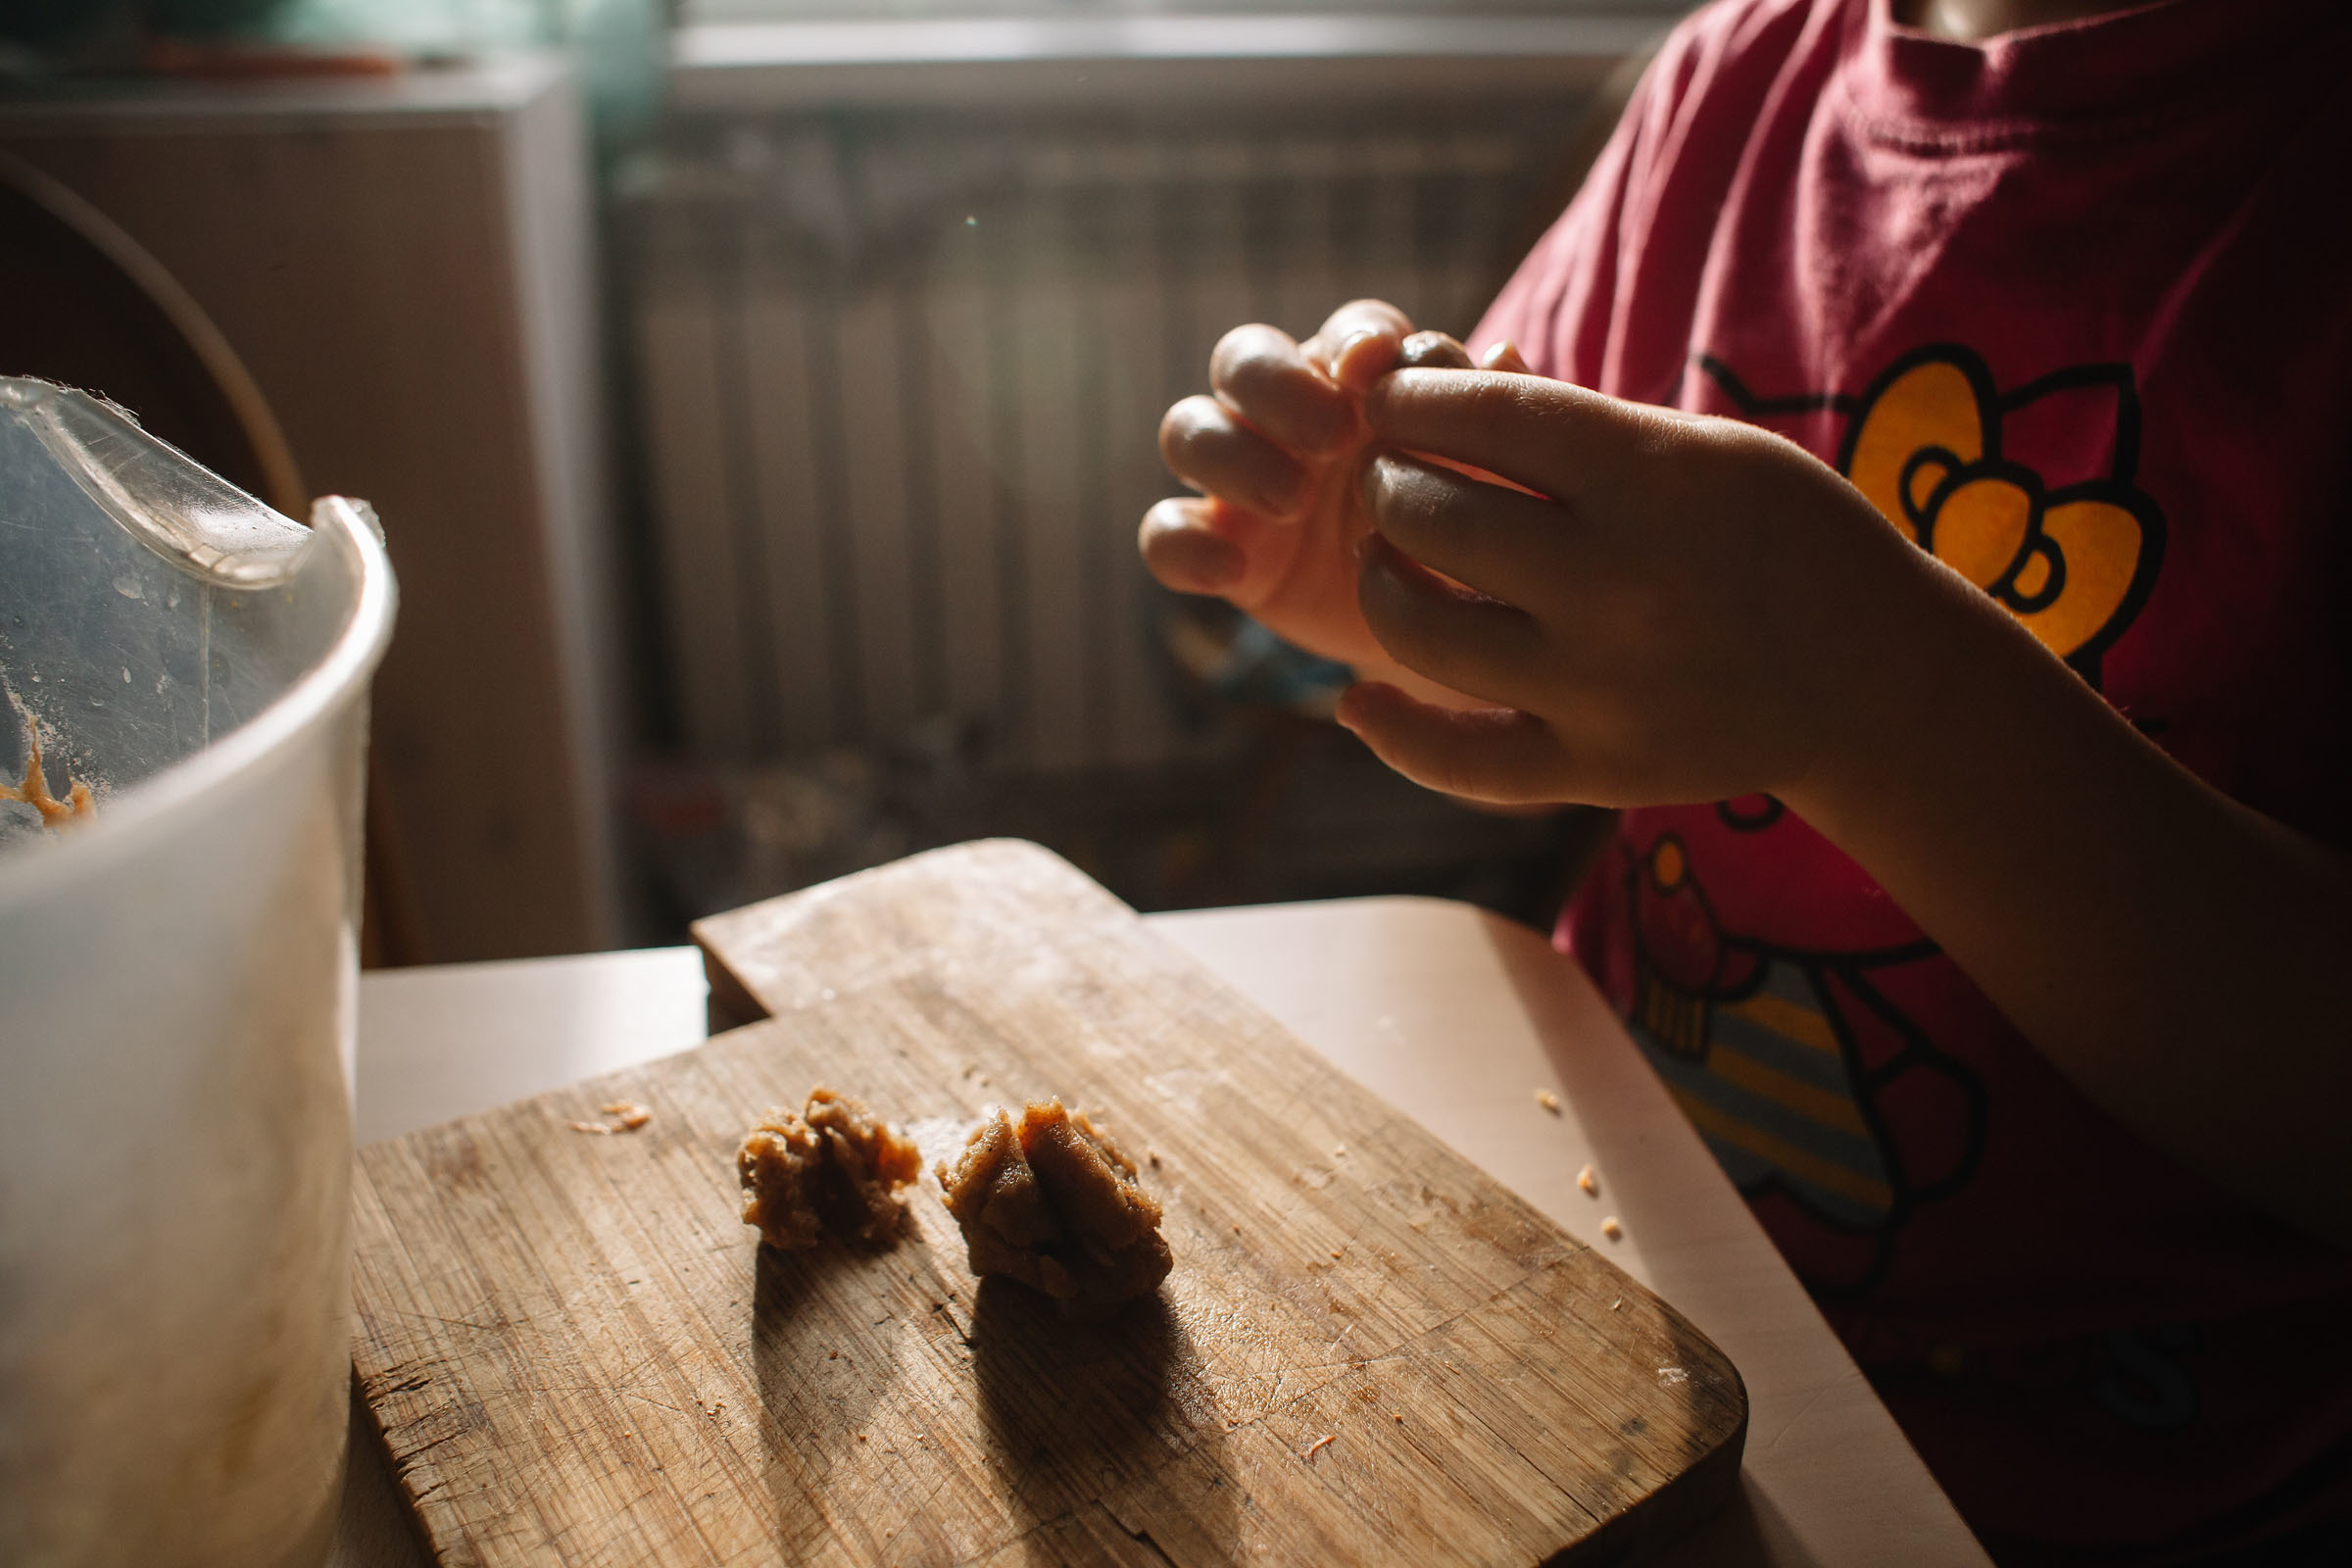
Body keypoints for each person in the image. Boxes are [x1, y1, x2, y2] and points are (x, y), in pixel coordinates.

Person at [1137, 0, 2352, 1561]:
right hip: (1620, 1287)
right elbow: (1583, 638)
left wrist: (1886, 700)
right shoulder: (1734, 77)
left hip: (2127, 1482)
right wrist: (1391, 583)